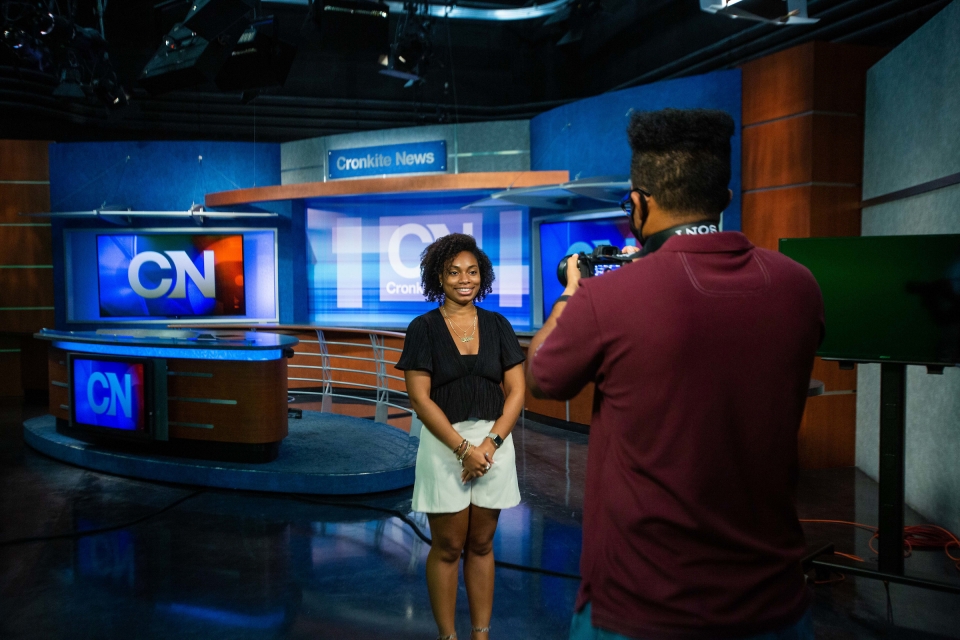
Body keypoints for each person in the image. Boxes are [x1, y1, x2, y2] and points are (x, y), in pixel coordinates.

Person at [526, 108, 823, 640]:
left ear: (638, 204)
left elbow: (544, 376)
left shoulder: (607, 298)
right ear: (725, 200)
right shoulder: (801, 287)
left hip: (641, 608)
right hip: (775, 602)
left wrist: (574, 289)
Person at [396, 232, 525, 640]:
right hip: (444, 445)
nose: (463, 279)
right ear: (439, 276)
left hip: (494, 444)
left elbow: (517, 391)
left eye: (471, 272)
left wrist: (489, 444)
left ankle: (481, 634)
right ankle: (448, 636)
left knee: (483, 544)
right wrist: (463, 448)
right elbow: (419, 398)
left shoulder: (498, 324)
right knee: (449, 546)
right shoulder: (423, 328)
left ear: (482, 276)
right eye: (454, 272)